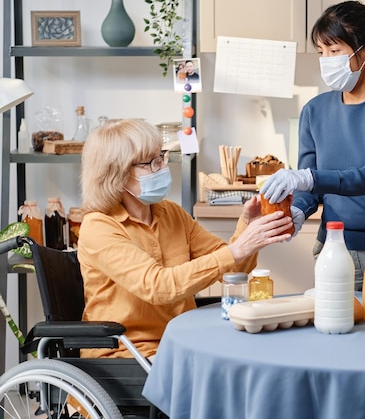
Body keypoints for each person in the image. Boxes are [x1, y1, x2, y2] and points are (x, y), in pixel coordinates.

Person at [78, 119, 293, 358]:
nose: (161, 167)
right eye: (150, 163)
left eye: (161, 157)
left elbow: (231, 271)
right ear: (116, 175)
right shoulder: (98, 227)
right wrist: (236, 249)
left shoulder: (172, 213)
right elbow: (158, 287)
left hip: (181, 342)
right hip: (129, 353)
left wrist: (247, 228)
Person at [260, 0, 365, 290]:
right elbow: (313, 182)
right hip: (330, 246)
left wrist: (307, 178)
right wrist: (299, 210)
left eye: (335, 51)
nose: (326, 60)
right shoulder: (314, 111)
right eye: (321, 52)